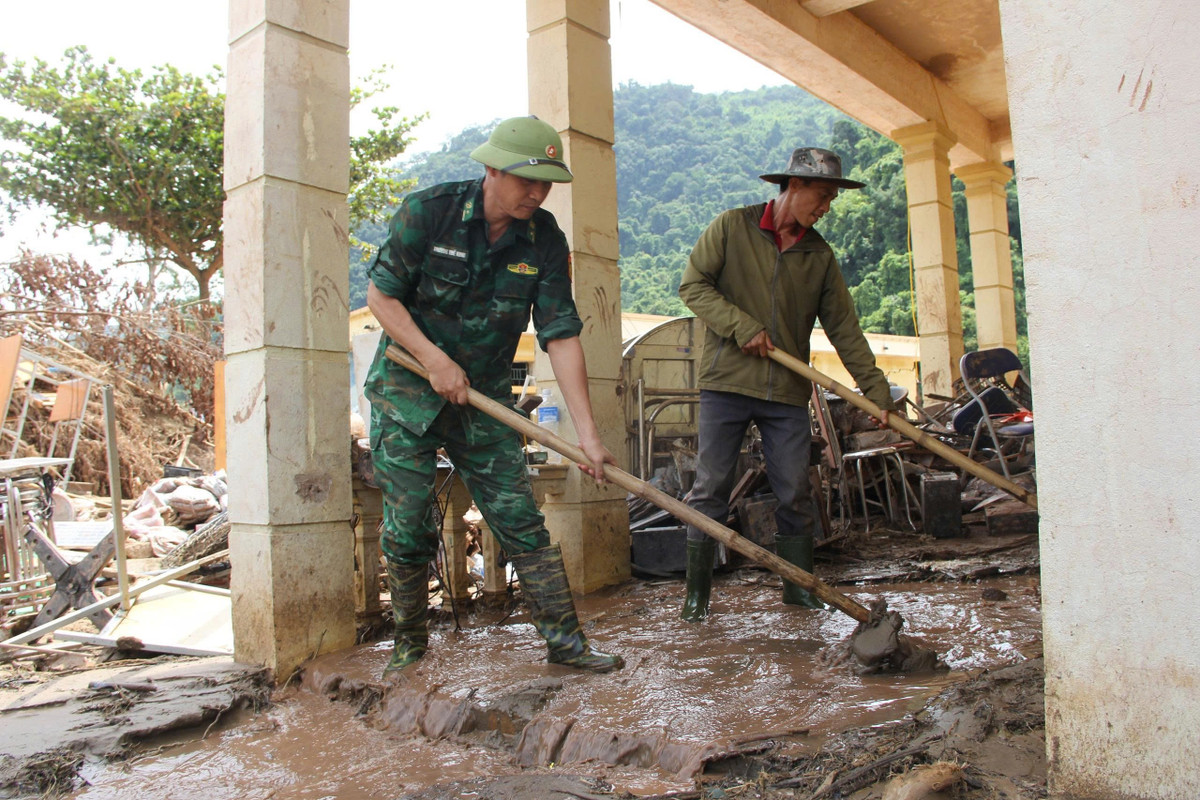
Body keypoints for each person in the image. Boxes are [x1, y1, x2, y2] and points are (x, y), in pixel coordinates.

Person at [363, 116, 623, 677]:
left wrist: (588, 436)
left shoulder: (545, 239)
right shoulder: (428, 213)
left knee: (519, 519)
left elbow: (561, 334)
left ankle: (567, 644)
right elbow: (381, 297)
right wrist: (434, 360)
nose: (536, 192)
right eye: (526, 179)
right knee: (408, 524)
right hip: (408, 392)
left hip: (483, 400)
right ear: (491, 168)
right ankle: (408, 647)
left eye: (546, 183)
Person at [677, 146, 896, 618]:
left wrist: (876, 394)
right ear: (792, 186)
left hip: (787, 392)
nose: (826, 208)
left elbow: (845, 330)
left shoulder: (819, 256)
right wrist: (741, 325)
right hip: (727, 382)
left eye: (831, 200)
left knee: (795, 489)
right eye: (821, 196)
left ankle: (797, 588)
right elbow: (693, 286)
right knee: (711, 486)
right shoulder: (732, 227)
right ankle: (697, 597)